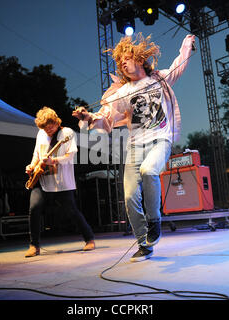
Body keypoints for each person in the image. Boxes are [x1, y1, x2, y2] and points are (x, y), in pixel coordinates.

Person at [73, 33, 195, 262]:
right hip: (135, 146)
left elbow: (179, 64)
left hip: (160, 139)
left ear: (138, 58)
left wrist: (187, 44)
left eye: (127, 59)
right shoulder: (122, 92)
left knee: (149, 171)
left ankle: (154, 221)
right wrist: (88, 116)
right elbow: (106, 116)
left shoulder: (159, 79)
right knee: (129, 196)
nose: (123, 64)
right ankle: (144, 244)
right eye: (120, 63)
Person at [25, 106, 95, 257]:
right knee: (34, 208)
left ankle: (89, 239)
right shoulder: (41, 133)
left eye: (50, 128)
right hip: (42, 179)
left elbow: (71, 155)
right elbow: (36, 154)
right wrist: (31, 166)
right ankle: (34, 245)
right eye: (45, 129)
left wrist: (53, 160)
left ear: (56, 123)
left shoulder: (67, 133)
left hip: (61, 181)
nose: (48, 131)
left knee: (71, 210)